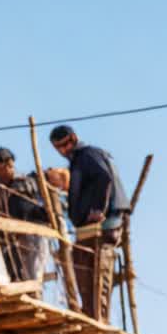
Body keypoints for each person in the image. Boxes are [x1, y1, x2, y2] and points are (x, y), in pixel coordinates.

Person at [50, 125, 130, 322]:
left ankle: (96, 320)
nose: (63, 151)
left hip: (101, 226)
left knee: (94, 274)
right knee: (88, 272)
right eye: (58, 147)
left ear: (74, 138)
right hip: (95, 226)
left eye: (65, 144)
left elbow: (104, 178)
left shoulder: (86, 155)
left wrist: (98, 209)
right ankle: (93, 317)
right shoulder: (83, 158)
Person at [0, 147, 56, 284]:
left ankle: (34, 293)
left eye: (10, 167)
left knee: (33, 271)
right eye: (1, 168)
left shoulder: (22, 183)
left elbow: (28, 208)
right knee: (12, 271)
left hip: (33, 233)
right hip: (6, 237)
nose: (7, 171)